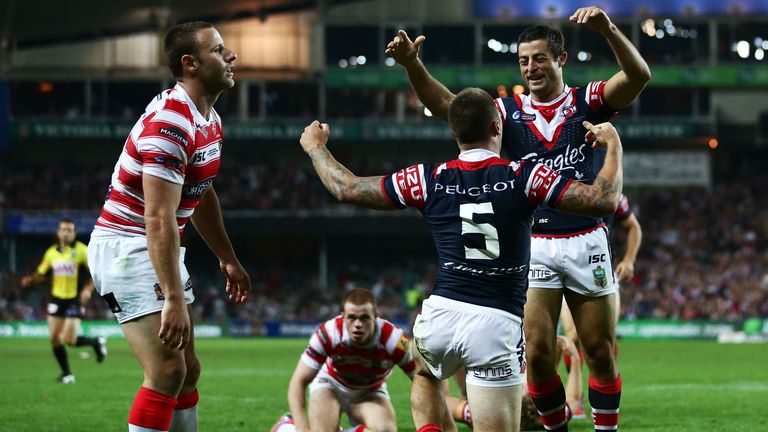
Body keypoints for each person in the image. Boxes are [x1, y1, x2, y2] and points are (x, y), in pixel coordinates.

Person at [298, 87, 624, 432]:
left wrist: (316, 148)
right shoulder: (524, 176)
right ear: (498, 127)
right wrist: (613, 146)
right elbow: (600, 200)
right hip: (496, 325)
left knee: (426, 372)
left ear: (453, 133)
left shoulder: (427, 178)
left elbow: (347, 188)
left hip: (441, 317)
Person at [385, 6, 650, 430]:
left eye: (539, 58)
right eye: (523, 60)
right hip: (536, 244)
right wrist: (413, 65)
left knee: (599, 351)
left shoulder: (587, 101)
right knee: (540, 356)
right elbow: (448, 107)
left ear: (561, 59)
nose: (530, 68)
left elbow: (638, 76)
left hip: (587, 238)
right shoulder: (505, 112)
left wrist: (608, 29)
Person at [87, 21, 250, 432]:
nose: (231, 55)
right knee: (166, 371)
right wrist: (173, 297)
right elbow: (158, 217)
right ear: (190, 63)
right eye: (218, 50)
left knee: (188, 370)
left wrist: (227, 257)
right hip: (128, 247)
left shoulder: (208, 119)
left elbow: (200, 193)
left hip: (155, 245)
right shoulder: (171, 124)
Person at [277, 288, 418, 432]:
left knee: (385, 430)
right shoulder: (328, 334)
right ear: (343, 316)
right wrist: (302, 428)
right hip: (329, 385)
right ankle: (287, 427)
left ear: (375, 317)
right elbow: (298, 382)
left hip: (370, 392)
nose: (358, 324)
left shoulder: (393, 340)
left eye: (364, 318)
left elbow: (420, 377)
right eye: (352, 318)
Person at [20, 218, 107, 383]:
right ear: (58, 233)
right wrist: (30, 280)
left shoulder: (82, 250)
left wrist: (87, 290)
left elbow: (94, 273)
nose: (66, 233)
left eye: (69, 230)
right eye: (63, 230)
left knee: (69, 340)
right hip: (56, 299)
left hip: (74, 300)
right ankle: (67, 374)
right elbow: (41, 273)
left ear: (74, 233)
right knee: (54, 338)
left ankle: (95, 342)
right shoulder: (51, 253)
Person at [560, 194, 643, 360]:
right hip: (568, 271)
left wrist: (629, 260)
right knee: (573, 335)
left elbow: (634, 227)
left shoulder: (611, 195)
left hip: (601, 271)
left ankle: (607, 376)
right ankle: (574, 377)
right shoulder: (562, 191)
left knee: (606, 334)